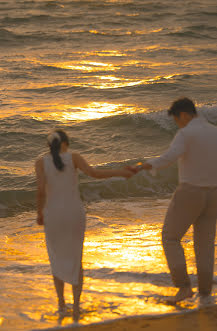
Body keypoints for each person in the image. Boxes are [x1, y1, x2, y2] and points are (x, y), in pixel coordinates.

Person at [35, 129, 134, 321]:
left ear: (49, 146)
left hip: (53, 215)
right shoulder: (74, 157)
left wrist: (39, 212)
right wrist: (122, 172)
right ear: (66, 143)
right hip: (74, 213)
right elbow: (94, 173)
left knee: (55, 258)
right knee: (76, 258)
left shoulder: (40, 162)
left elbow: (40, 191)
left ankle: (62, 305)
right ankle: (77, 308)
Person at [135, 98, 217, 303]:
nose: (178, 124)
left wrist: (146, 165)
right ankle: (206, 293)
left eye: (177, 120)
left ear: (184, 115)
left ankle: (183, 288)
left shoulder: (186, 133)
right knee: (205, 244)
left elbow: (169, 157)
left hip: (190, 191)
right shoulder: (215, 132)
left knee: (170, 238)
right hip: (214, 193)